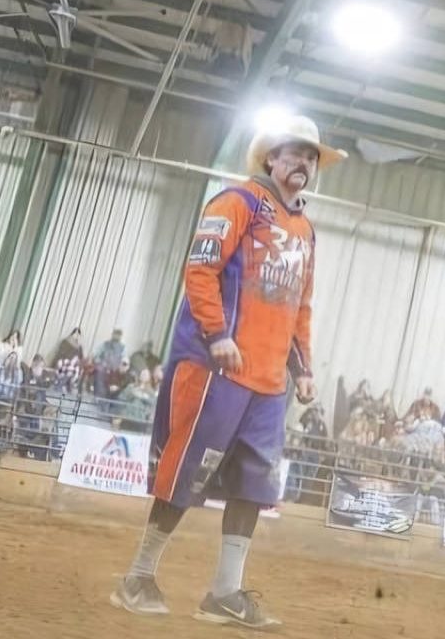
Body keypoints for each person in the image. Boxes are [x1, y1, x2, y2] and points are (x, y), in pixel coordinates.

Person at [110, 114, 335, 627]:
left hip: (269, 383)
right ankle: (137, 577)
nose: (302, 161)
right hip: (216, 368)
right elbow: (200, 270)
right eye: (292, 152)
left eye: (311, 156)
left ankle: (224, 593)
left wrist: (302, 368)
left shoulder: (306, 231)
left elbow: (301, 304)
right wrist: (218, 336)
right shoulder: (236, 203)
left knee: (254, 485)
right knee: (186, 472)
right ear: (270, 159)